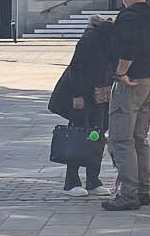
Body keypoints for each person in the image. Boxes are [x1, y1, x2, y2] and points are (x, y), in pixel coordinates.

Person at [102, 0, 150, 212]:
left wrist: (122, 72)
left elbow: (128, 48)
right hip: (149, 81)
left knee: (121, 140)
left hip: (130, 83)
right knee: (140, 139)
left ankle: (127, 194)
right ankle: (144, 189)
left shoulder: (128, 17)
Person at [47, 14, 115, 193]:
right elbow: (76, 68)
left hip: (101, 95)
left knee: (97, 136)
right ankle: (72, 181)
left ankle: (93, 180)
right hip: (82, 96)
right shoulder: (90, 39)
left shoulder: (110, 40)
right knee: (78, 135)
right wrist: (77, 95)